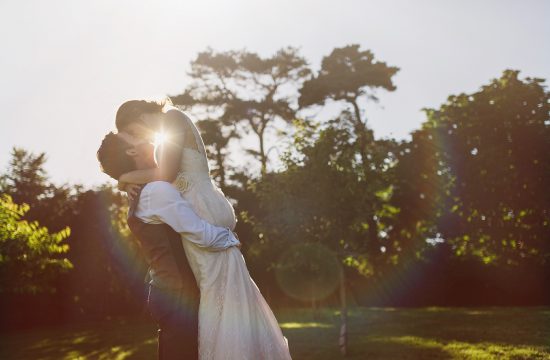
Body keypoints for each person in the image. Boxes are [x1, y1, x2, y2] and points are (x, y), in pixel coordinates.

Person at [115, 99, 292, 359]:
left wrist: (125, 178)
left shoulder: (172, 118)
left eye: (130, 131)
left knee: (216, 294)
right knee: (220, 294)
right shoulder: (168, 126)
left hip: (202, 209)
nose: (135, 137)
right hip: (200, 206)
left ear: (138, 115)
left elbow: (166, 173)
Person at [97, 131, 240, 360]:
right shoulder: (156, 190)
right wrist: (232, 238)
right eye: (132, 133)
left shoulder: (146, 190)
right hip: (179, 293)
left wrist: (124, 180)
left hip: (167, 290)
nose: (146, 132)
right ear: (131, 150)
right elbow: (203, 235)